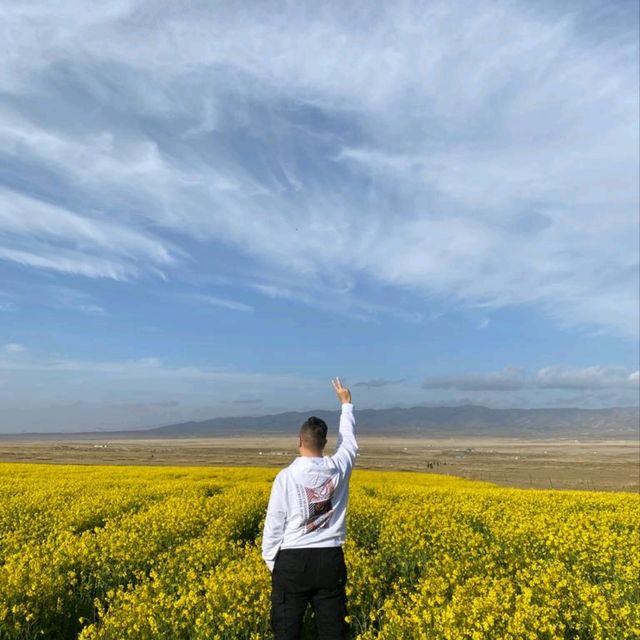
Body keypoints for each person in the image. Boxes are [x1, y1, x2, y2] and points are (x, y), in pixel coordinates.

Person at [261, 377, 358, 640]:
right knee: (332, 631)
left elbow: (274, 525)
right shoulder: (339, 467)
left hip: (292, 561)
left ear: (299, 440)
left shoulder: (286, 477)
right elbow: (349, 443)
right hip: (330, 559)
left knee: (286, 631)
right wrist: (346, 404)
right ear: (325, 443)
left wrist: (274, 563)